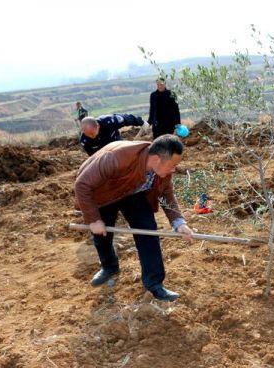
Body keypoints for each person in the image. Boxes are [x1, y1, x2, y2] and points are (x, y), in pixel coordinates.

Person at [74, 135, 193, 301]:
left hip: (134, 193)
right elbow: (82, 185)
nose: (174, 169)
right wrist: (93, 219)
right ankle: (109, 267)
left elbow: (166, 195)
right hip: (105, 192)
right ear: (157, 159)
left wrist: (179, 223)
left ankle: (154, 284)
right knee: (102, 234)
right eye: (173, 165)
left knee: (148, 232)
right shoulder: (115, 158)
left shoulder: (163, 171)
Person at [79, 114, 150, 156]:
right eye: (88, 135)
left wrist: (141, 122)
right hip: (103, 153)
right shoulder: (84, 140)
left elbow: (126, 118)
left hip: (116, 142)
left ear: (98, 126)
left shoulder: (109, 121)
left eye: (92, 133)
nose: (91, 136)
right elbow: (92, 155)